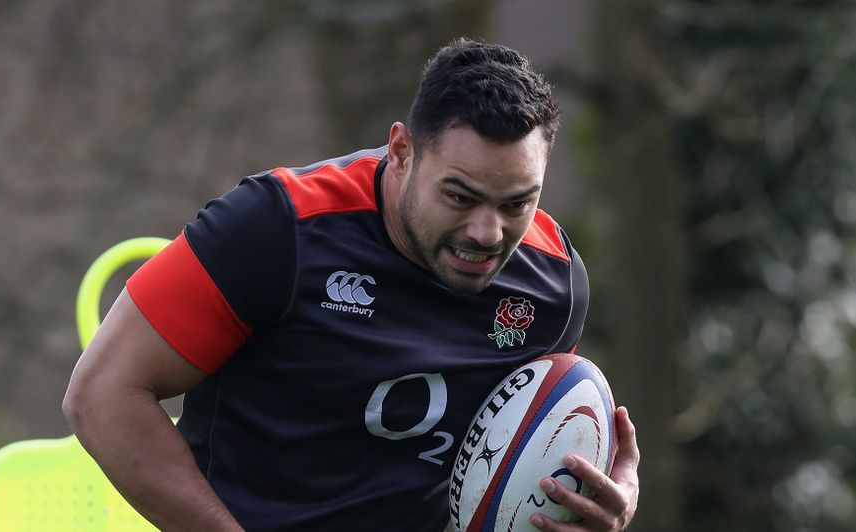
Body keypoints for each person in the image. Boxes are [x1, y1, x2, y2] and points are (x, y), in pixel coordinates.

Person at [63, 38, 639, 532]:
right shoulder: (276, 228)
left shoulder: (554, 286)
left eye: (518, 203)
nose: (488, 232)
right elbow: (102, 393)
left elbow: (519, 459)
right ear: (401, 151)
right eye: (460, 196)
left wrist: (601, 499)